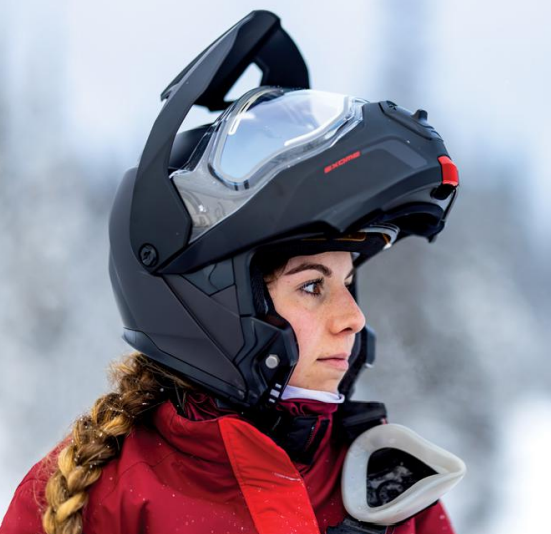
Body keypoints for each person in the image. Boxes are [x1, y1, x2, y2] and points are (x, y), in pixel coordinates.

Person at [1, 10, 462, 534]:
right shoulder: (105, 496)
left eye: (348, 282)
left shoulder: (385, 488)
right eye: (313, 286)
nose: (352, 318)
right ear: (214, 302)